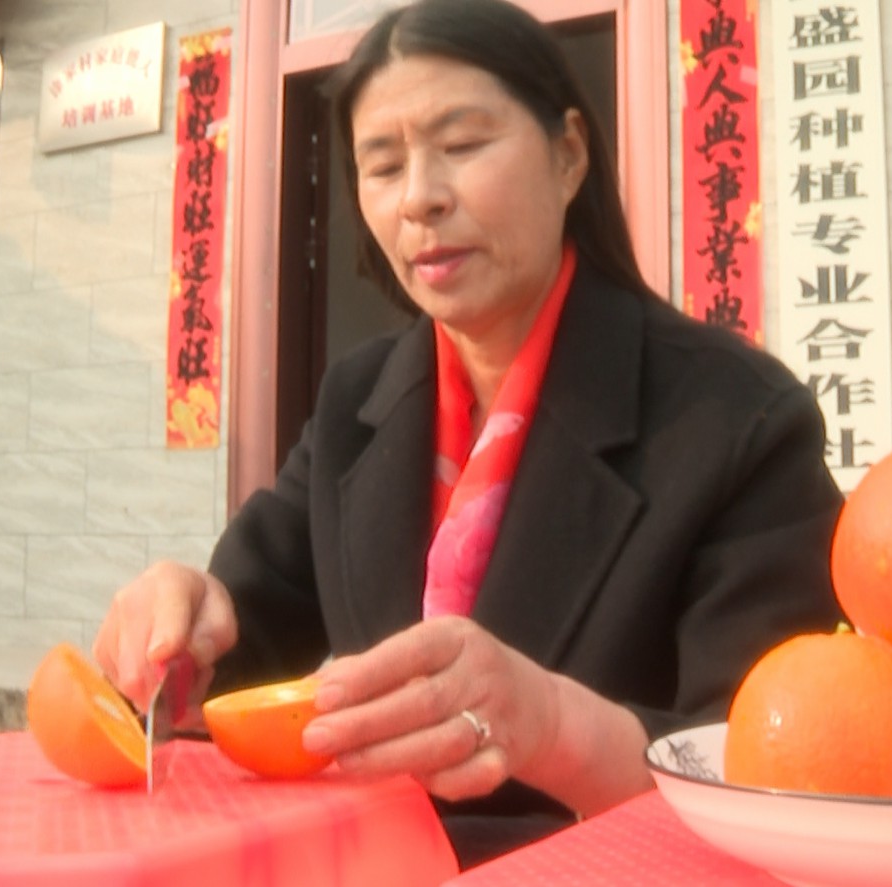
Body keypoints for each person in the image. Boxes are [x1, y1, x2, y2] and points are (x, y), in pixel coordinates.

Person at [93, 0, 844, 867]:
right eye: (383, 165)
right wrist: (181, 638)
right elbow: (248, 646)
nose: (421, 197)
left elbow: (773, 770)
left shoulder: (738, 418)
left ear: (569, 155)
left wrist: (555, 726)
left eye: (463, 144)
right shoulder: (356, 401)